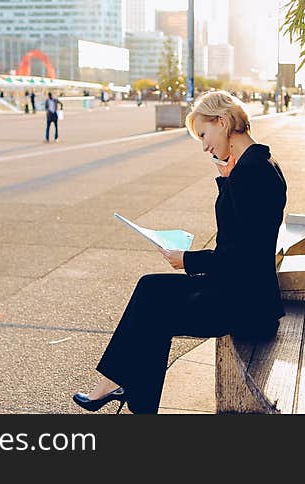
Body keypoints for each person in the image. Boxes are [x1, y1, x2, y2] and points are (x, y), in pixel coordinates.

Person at [72, 90, 287, 414]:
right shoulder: (259, 163)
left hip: (247, 305)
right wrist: (226, 181)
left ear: (223, 121)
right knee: (150, 287)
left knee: (155, 311)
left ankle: (127, 394)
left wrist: (185, 260)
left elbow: (238, 258)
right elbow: (243, 236)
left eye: (204, 134)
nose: (204, 145)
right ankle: (117, 386)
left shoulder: (251, 174)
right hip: (247, 291)